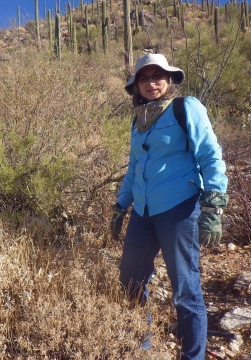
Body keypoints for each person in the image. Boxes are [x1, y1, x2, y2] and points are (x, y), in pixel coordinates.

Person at [110, 53, 228, 359]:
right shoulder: (139, 120)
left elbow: (210, 155)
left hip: (179, 209)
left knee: (185, 289)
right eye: (144, 78)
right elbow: (135, 166)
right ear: (136, 85)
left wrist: (214, 205)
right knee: (131, 279)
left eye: (158, 76)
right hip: (143, 212)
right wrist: (121, 206)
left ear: (169, 79)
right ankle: (142, 341)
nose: (152, 83)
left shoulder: (185, 108)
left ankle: (194, 355)